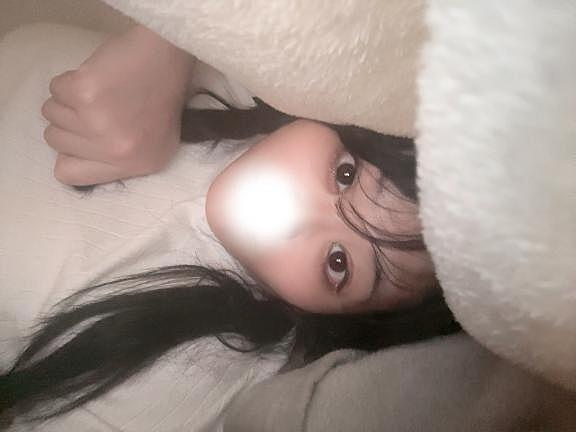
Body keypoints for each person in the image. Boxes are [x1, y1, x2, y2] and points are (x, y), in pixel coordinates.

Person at [0, 24, 459, 423]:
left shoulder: (199, 375)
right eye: (345, 175)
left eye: (338, 263)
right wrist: (165, 42)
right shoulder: (268, 74)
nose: (301, 219)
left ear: (343, 319)